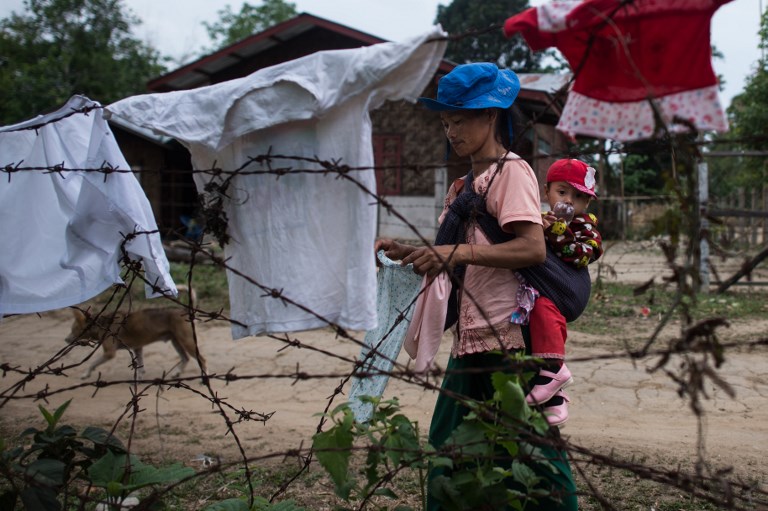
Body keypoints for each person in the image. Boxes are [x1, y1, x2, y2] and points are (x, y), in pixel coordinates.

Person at [375, 62, 578, 511]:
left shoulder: (512, 173)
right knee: (450, 445)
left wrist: (457, 254)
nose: (451, 129)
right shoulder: (462, 186)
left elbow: (531, 249)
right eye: (446, 120)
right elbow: (454, 251)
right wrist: (409, 251)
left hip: (508, 337)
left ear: (491, 115)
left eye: (461, 118)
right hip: (469, 337)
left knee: (534, 450)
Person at [524, 159, 604, 427]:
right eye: (562, 192)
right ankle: (554, 398)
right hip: (539, 288)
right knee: (537, 330)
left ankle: (554, 372)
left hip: (562, 291)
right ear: (546, 192)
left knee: (545, 314)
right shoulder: (541, 219)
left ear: (587, 204)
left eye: (578, 196)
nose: (569, 201)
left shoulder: (585, 225)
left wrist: (558, 229)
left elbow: (582, 256)